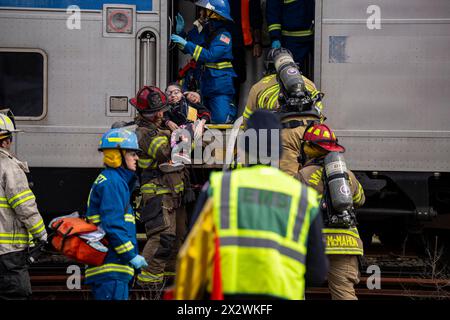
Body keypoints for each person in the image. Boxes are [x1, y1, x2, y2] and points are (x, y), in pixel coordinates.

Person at [172, 110, 328, 299]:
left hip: (228, 296)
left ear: (246, 146)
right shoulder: (303, 197)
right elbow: (317, 273)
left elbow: (193, 252)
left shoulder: (219, 187)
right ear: (278, 150)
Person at [295, 123, 365, 300]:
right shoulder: (347, 175)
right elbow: (360, 200)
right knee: (344, 294)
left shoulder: (303, 175)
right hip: (346, 244)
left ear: (310, 148)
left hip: (315, 242)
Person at [130, 86, 188, 291]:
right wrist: (175, 134)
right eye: (159, 111)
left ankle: (169, 282)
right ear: (148, 113)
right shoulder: (144, 133)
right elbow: (164, 152)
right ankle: (147, 284)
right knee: (163, 237)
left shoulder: (158, 128)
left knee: (177, 238)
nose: (162, 113)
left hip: (171, 194)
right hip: (157, 194)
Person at [84, 128, 147, 300]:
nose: (137, 158)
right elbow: (113, 225)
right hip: (111, 268)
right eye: (133, 154)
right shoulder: (113, 182)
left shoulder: (113, 180)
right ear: (117, 154)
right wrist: (131, 256)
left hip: (111, 269)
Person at [243, 48, 324, 176]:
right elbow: (319, 113)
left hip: (286, 136)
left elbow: (248, 122)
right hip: (312, 133)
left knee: (290, 180)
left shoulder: (258, 87)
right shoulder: (308, 83)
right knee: (313, 176)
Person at [0, 112, 48, 300]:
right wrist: (41, 235)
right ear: (5, 141)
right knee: (16, 295)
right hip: (8, 252)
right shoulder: (10, 168)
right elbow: (25, 208)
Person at [171, 0, 237, 124]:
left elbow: (210, 55)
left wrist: (186, 44)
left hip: (219, 86)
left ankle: (230, 109)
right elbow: (189, 45)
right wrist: (180, 32)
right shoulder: (205, 30)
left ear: (213, 13)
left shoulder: (224, 35)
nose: (201, 12)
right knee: (196, 117)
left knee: (220, 120)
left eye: (204, 10)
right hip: (203, 83)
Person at [266, 0, 315, 77]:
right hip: (291, 41)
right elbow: (273, 12)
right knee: (291, 75)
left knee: (321, 72)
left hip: (316, 39)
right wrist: (275, 37)